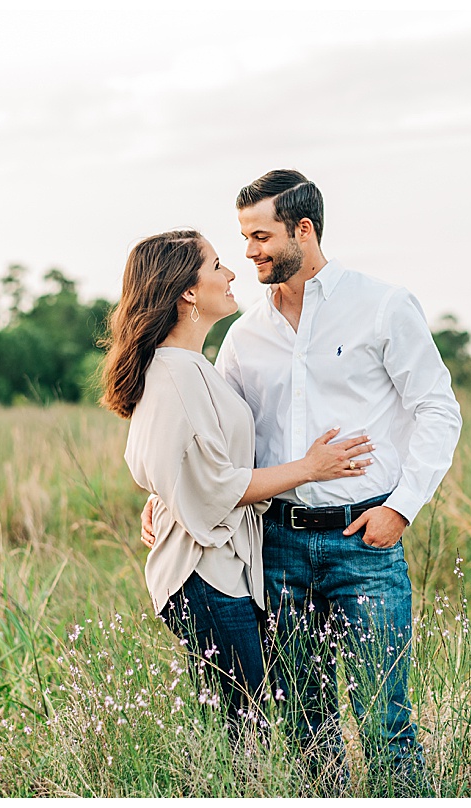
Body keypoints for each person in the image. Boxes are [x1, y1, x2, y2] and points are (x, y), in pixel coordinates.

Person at [142, 171, 462, 791]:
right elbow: (214, 437)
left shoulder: (382, 306)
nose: (249, 253)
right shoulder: (245, 336)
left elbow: (437, 408)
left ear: (304, 229)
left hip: (364, 538)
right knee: (304, 726)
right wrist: (165, 493)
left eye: (261, 236)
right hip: (277, 547)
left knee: (384, 720)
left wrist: (402, 507)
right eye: (242, 239)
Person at [99, 229, 374, 746]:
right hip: (204, 573)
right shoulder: (177, 374)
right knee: (251, 729)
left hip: (222, 566)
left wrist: (166, 495)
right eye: (217, 264)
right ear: (186, 290)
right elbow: (215, 485)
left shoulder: (189, 367)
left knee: (252, 721)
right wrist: (310, 468)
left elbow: (185, 464)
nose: (231, 273)